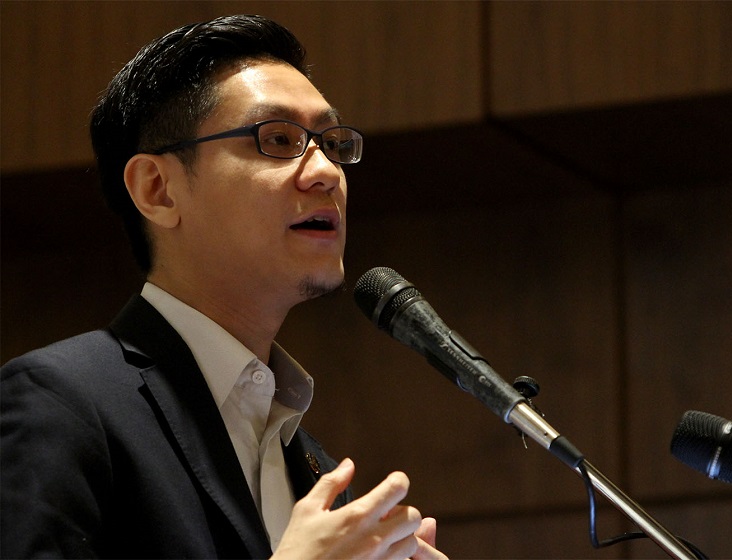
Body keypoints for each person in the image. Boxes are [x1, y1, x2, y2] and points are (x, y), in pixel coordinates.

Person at [1, 14, 445, 560]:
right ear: (158, 188)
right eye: (278, 139)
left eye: (331, 143)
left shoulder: (318, 474)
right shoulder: (63, 403)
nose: (326, 172)